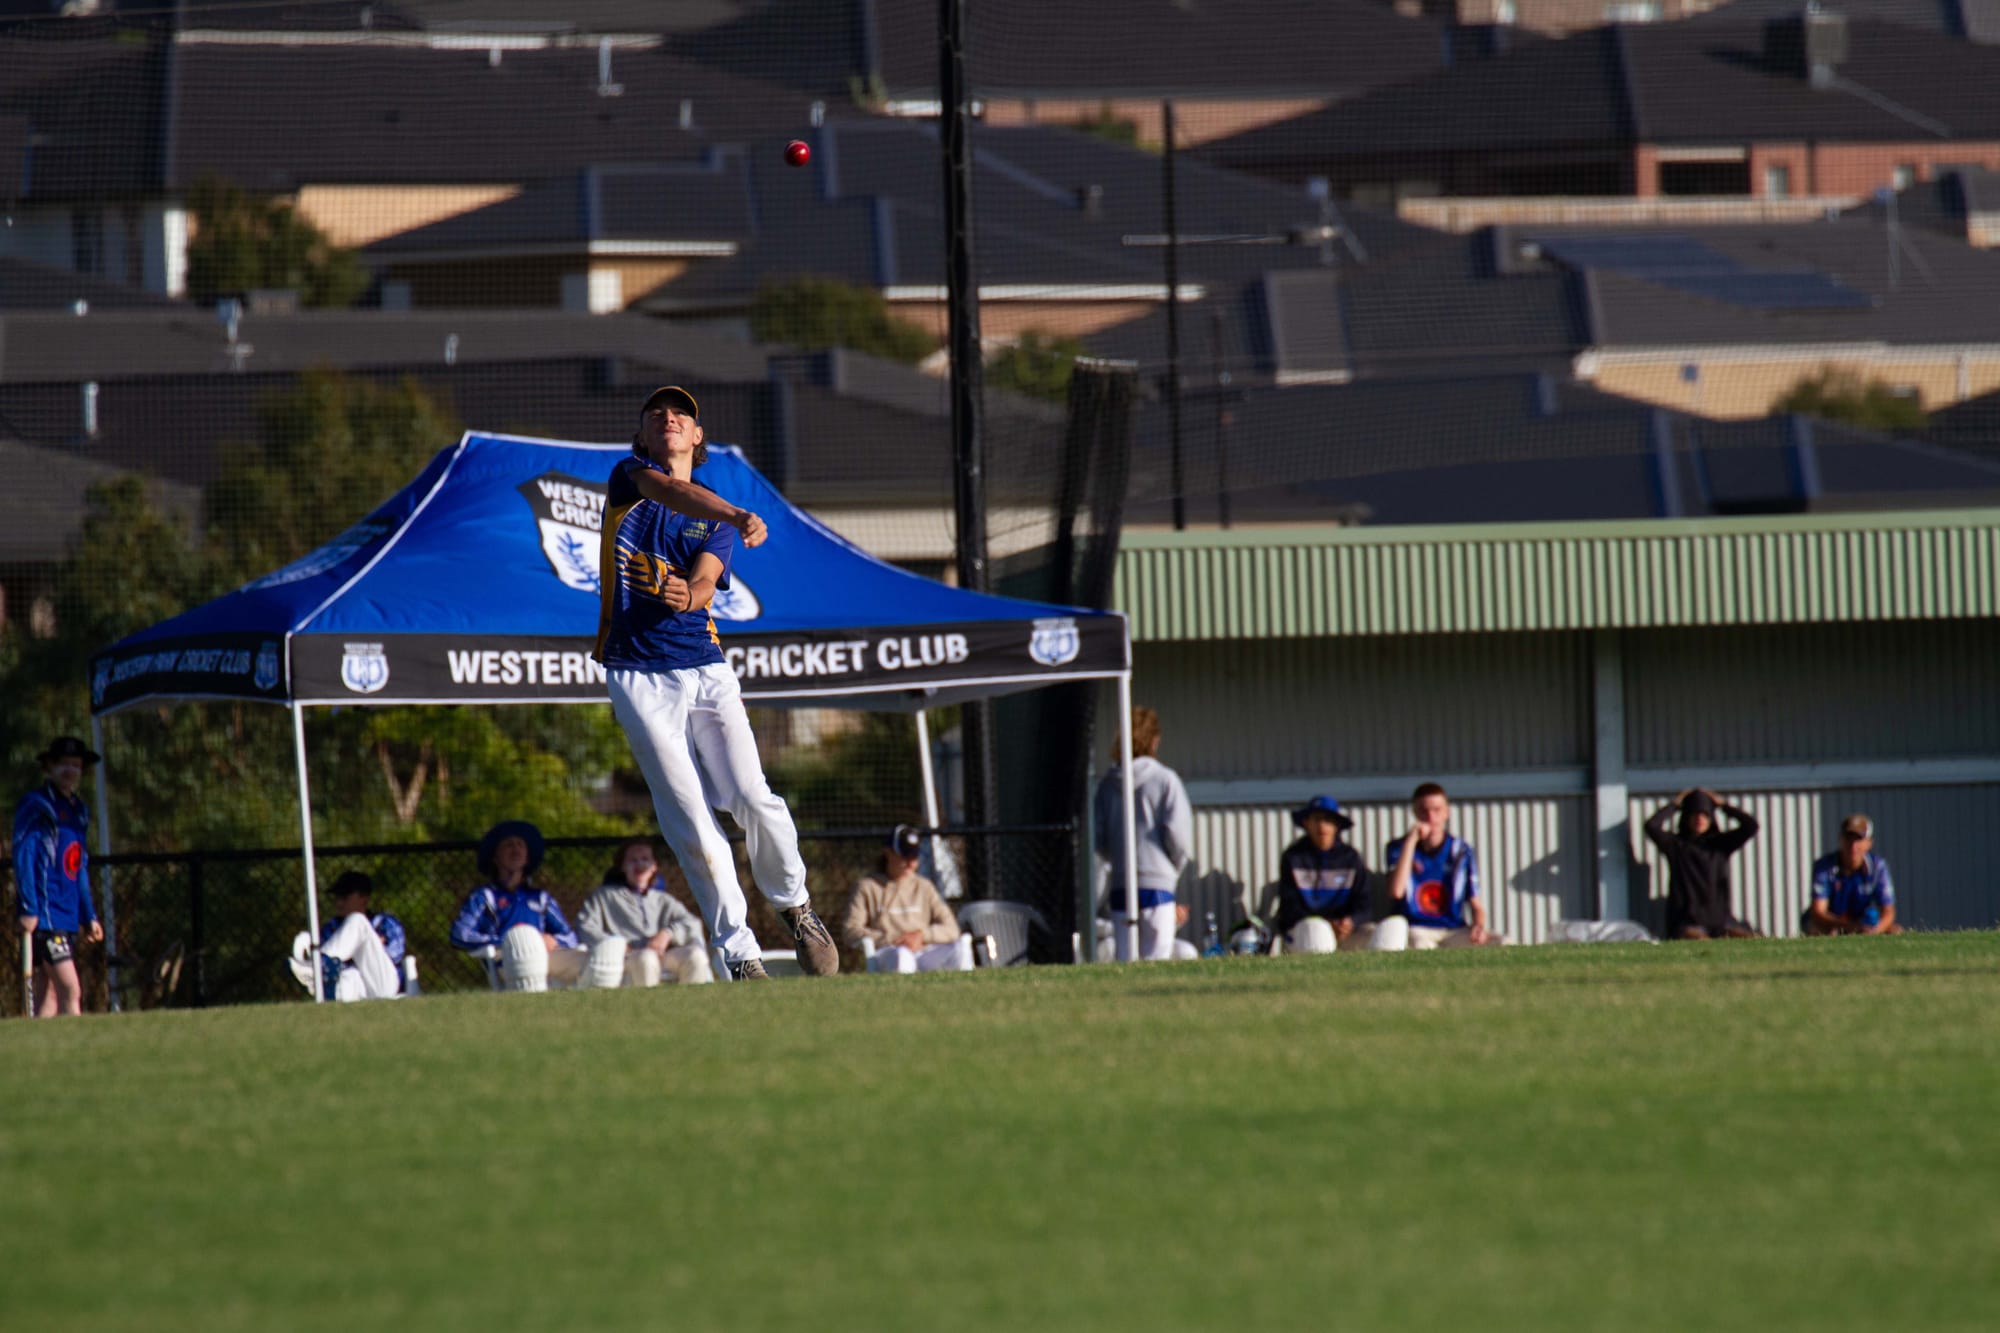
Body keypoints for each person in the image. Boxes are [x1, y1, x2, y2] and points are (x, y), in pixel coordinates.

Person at [592, 385, 837, 982]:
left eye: (682, 414)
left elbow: (705, 581)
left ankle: (797, 908)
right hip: (638, 674)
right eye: (657, 414)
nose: (669, 417)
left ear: (697, 437)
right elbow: (672, 490)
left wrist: (689, 595)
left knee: (751, 798)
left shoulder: (717, 524)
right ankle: (741, 954)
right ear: (644, 436)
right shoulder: (631, 478)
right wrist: (735, 511)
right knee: (691, 822)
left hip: (704, 667)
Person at [1093, 705, 1193, 961]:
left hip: (1121, 884)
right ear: (1155, 741)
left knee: (1126, 960)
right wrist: (1172, 867)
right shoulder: (1165, 780)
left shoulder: (1107, 785)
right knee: (1157, 959)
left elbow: (1100, 839)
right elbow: (1178, 836)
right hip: (1158, 884)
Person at [12, 736, 103, 1016]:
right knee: (70, 989)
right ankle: (76, 1053)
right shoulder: (38, 805)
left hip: (67, 914)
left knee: (48, 993)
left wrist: (88, 915)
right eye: (63, 764)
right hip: (46, 915)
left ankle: (43, 1053)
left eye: (75, 765)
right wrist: (29, 908)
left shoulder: (79, 810)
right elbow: (24, 856)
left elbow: (78, 866)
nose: (69, 770)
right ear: (49, 767)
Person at [449, 820, 586, 991]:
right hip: (506, 959)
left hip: (546, 956)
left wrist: (552, 940)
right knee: (527, 956)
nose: (516, 849)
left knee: (591, 961)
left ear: (527, 857)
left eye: (520, 845)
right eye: (508, 845)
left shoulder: (541, 898)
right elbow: (459, 934)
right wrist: (508, 942)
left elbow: (570, 937)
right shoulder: (484, 896)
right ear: (495, 857)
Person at [1377, 782, 1501, 950]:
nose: (1431, 818)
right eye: (1423, 811)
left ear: (1447, 812)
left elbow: (1476, 904)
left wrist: (1478, 927)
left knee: (1503, 943)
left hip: (1453, 929)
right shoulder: (1398, 847)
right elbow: (1396, 891)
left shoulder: (1461, 851)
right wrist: (1411, 841)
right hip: (1415, 928)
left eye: (1437, 810)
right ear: (1414, 813)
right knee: (1419, 945)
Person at [576, 837, 714, 986]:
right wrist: (617, 946)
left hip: (663, 955)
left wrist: (667, 934)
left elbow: (692, 923)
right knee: (646, 958)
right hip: (626, 958)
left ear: (654, 866)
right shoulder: (604, 897)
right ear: (622, 866)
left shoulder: (663, 900)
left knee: (696, 957)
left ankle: (692, 1007)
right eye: (633, 860)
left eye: (645, 859)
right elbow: (586, 926)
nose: (640, 864)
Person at [841, 825, 970, 973]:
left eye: (914, 856)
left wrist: (921, 935)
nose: (910, 862)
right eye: (904, 855)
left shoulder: (924, 887)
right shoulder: (867, 887)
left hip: (924, 949)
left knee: (960, 950)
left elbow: (952, 929)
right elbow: (851, 930)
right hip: (890, 951)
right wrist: (893, 939)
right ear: (888, 853)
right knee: (902, 957)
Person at [1644, 788, 1761, 940]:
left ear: (1711, 818)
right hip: (1687, 922)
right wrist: (1675, 804)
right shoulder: (1676, 846)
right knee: (1700, 940)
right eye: (1694, 814)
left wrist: (1724, 805)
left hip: (1721, 921)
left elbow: (1751, 826)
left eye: (1705, 815)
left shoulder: (1720, 845)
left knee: (1750, 939)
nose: (1699, 819)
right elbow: (1651, 826)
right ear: (1686, 817)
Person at [1270, 795, 1373, 953]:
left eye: (1328, 820)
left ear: (1336, 826)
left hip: (1346, 933)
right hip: (1306, 931)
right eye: (1316, 819)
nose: (1322, 826)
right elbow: (1290, 908)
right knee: (1317, 931)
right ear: (1306, 823)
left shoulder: (1351, 858)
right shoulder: (1293, 857)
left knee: (1393, 928)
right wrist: (1326, 923)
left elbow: (1364, 904)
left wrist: (1350, 922)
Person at [291, 870, 407, 1001]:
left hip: (383, 985)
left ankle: (315, 968)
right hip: (351, 984)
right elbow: (334, 972)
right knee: (348, 976)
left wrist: (360, 947)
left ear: (364, 898)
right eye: (337, 897)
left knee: (357, 920)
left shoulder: (385, 923)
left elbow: (394, 954)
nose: (339, 903)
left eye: (345, 897)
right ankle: (317, 970)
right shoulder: (332, 927)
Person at [1803, 813, 1900, 936]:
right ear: (1840, 839)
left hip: (1860, 920)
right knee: (1819, 930)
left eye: (1858, 839)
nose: (1853, 846)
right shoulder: (1824, 867)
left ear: (1869, 842)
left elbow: (1888, 911)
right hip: (1831, 923)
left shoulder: (1877, 867)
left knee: (1895, 931)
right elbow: (1818, 912)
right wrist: (1849, 928)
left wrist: (1874, 930)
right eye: (1848, 838)